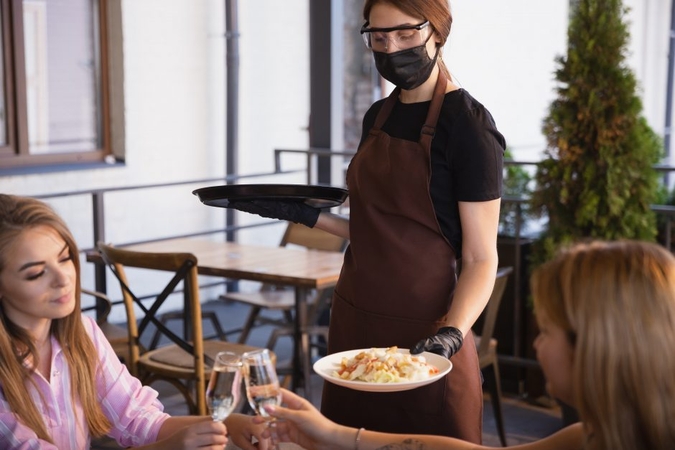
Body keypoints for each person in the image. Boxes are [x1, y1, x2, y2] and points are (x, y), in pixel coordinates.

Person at [228, 0, 505, 441]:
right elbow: (374, 231)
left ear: (437, 32)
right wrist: (304, 216)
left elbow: (479, 257)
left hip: (426, 335)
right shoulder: (378, 116)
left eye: (405, 34)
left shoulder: (470, 128)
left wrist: (451, 334)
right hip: (356, 322)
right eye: (379, 37)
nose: (391, 48)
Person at [252, 240, 675, 450]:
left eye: (546, 331)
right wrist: (333, 434)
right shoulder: (597, 436)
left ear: (596, 348)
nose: (536, 343)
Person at [0, 194, 266, 450]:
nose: (63, 278)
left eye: (65, 258)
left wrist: (225, 424)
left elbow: (136, 419)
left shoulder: (82, 333)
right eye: (36, 273)